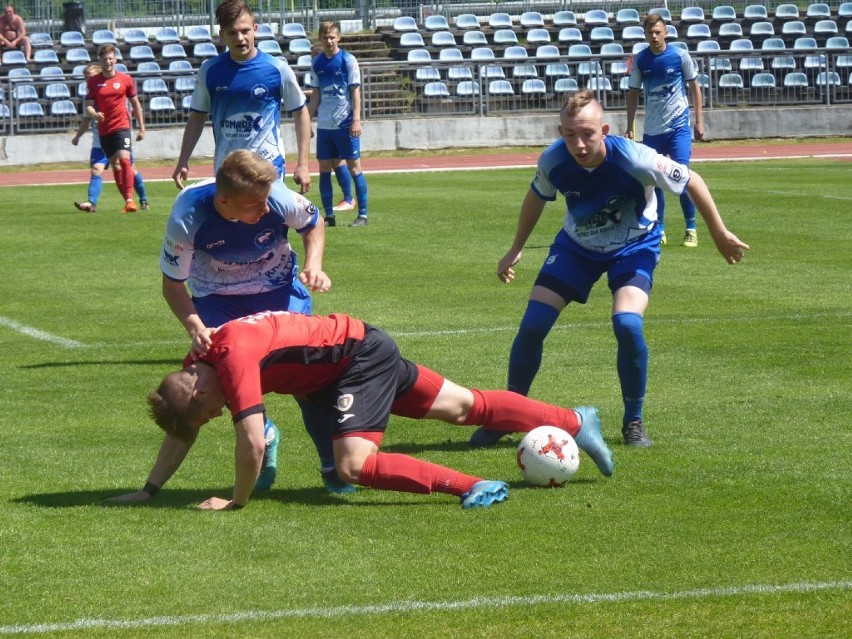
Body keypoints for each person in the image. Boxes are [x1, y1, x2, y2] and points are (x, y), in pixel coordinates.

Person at [469, 90, 748, 450]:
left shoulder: (635, 157)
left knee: (627, 324)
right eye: (570, 135)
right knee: (533, 325)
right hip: (577, 247)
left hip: (633, 247)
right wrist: (515, 249)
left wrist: (719, 233)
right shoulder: (554, 160)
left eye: (587, 133)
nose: (579, 144)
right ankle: (508, 414)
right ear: (560, 132)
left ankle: (633, 421)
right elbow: (537, 197)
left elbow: (691, 180)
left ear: (605, 129)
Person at [128, 308, 613, 511]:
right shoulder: (199, 361)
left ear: (197, 394)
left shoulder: (230, 360)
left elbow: (252, 440)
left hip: (356, 362)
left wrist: (235, 501)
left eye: (208, 414)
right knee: (466, 407)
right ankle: (575, 420)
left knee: (353, 465)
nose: (214, 417)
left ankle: (471, 485)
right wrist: (150, 490)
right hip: (346, 358)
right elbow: (182, 428)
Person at [134, 149, 348, 496]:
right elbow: (172, 285)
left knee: (307, 385)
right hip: (217, 303)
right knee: (213, 384)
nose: (266, 210)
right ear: (225, 202)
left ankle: (332, 469)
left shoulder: (273, 195)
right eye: (255, 206)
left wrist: (314, 263)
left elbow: (312, 222)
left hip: (279, 292)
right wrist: (195, 326)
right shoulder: (189, 214)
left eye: (266, 202)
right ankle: (261, 437)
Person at [172, 0, 311, 193]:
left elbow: (301, 112)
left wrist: (303, 164)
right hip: (227, 171)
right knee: (231, 223)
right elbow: (197, 116)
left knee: (268, 222)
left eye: (245, 31)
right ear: (222, 35)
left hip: (268, 168)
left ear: (255, 29)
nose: (240, 38)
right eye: (232, 32)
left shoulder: (277, 69)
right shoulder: (209, 70)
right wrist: (183, 160)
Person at [625, 12, 704, 248]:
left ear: (666, 33)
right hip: (652, 130)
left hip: (678, 127)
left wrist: (699, 121)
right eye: (650, 32)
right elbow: (632, 93)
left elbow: (694, 87)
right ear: (645, 35)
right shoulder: (640, 60)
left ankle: (691, 228)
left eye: (658, 31)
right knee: (655, 177)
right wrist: (629, 126)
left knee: (682, 176)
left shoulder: (680, 56)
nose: (654, 36)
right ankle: (659, 228)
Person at [308, 21, 368, 227]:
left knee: (354, 168)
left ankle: (362, 215)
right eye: (325, 37)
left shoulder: (348, 60)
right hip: (325, 125)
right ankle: (329, 217)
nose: (329, 41)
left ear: (339, 38)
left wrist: (356, 120)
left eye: (332, 37)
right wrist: (307, 121)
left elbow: (355, 92)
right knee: (324, 168)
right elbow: (315, 95)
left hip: (345, 123)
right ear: (321, 39)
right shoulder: (317, 64)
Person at [72, 64, 149, 213]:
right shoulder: (90, 96)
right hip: (99, 139)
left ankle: (143, 199)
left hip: (118, 135)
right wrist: (77, 136)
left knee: (129, 168)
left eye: (90, 78)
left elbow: (134, 104)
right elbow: (87, 119)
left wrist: (141, 128)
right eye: (86, 79)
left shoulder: (113, 89)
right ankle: (92, 203)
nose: (88, 81)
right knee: (96, 170)